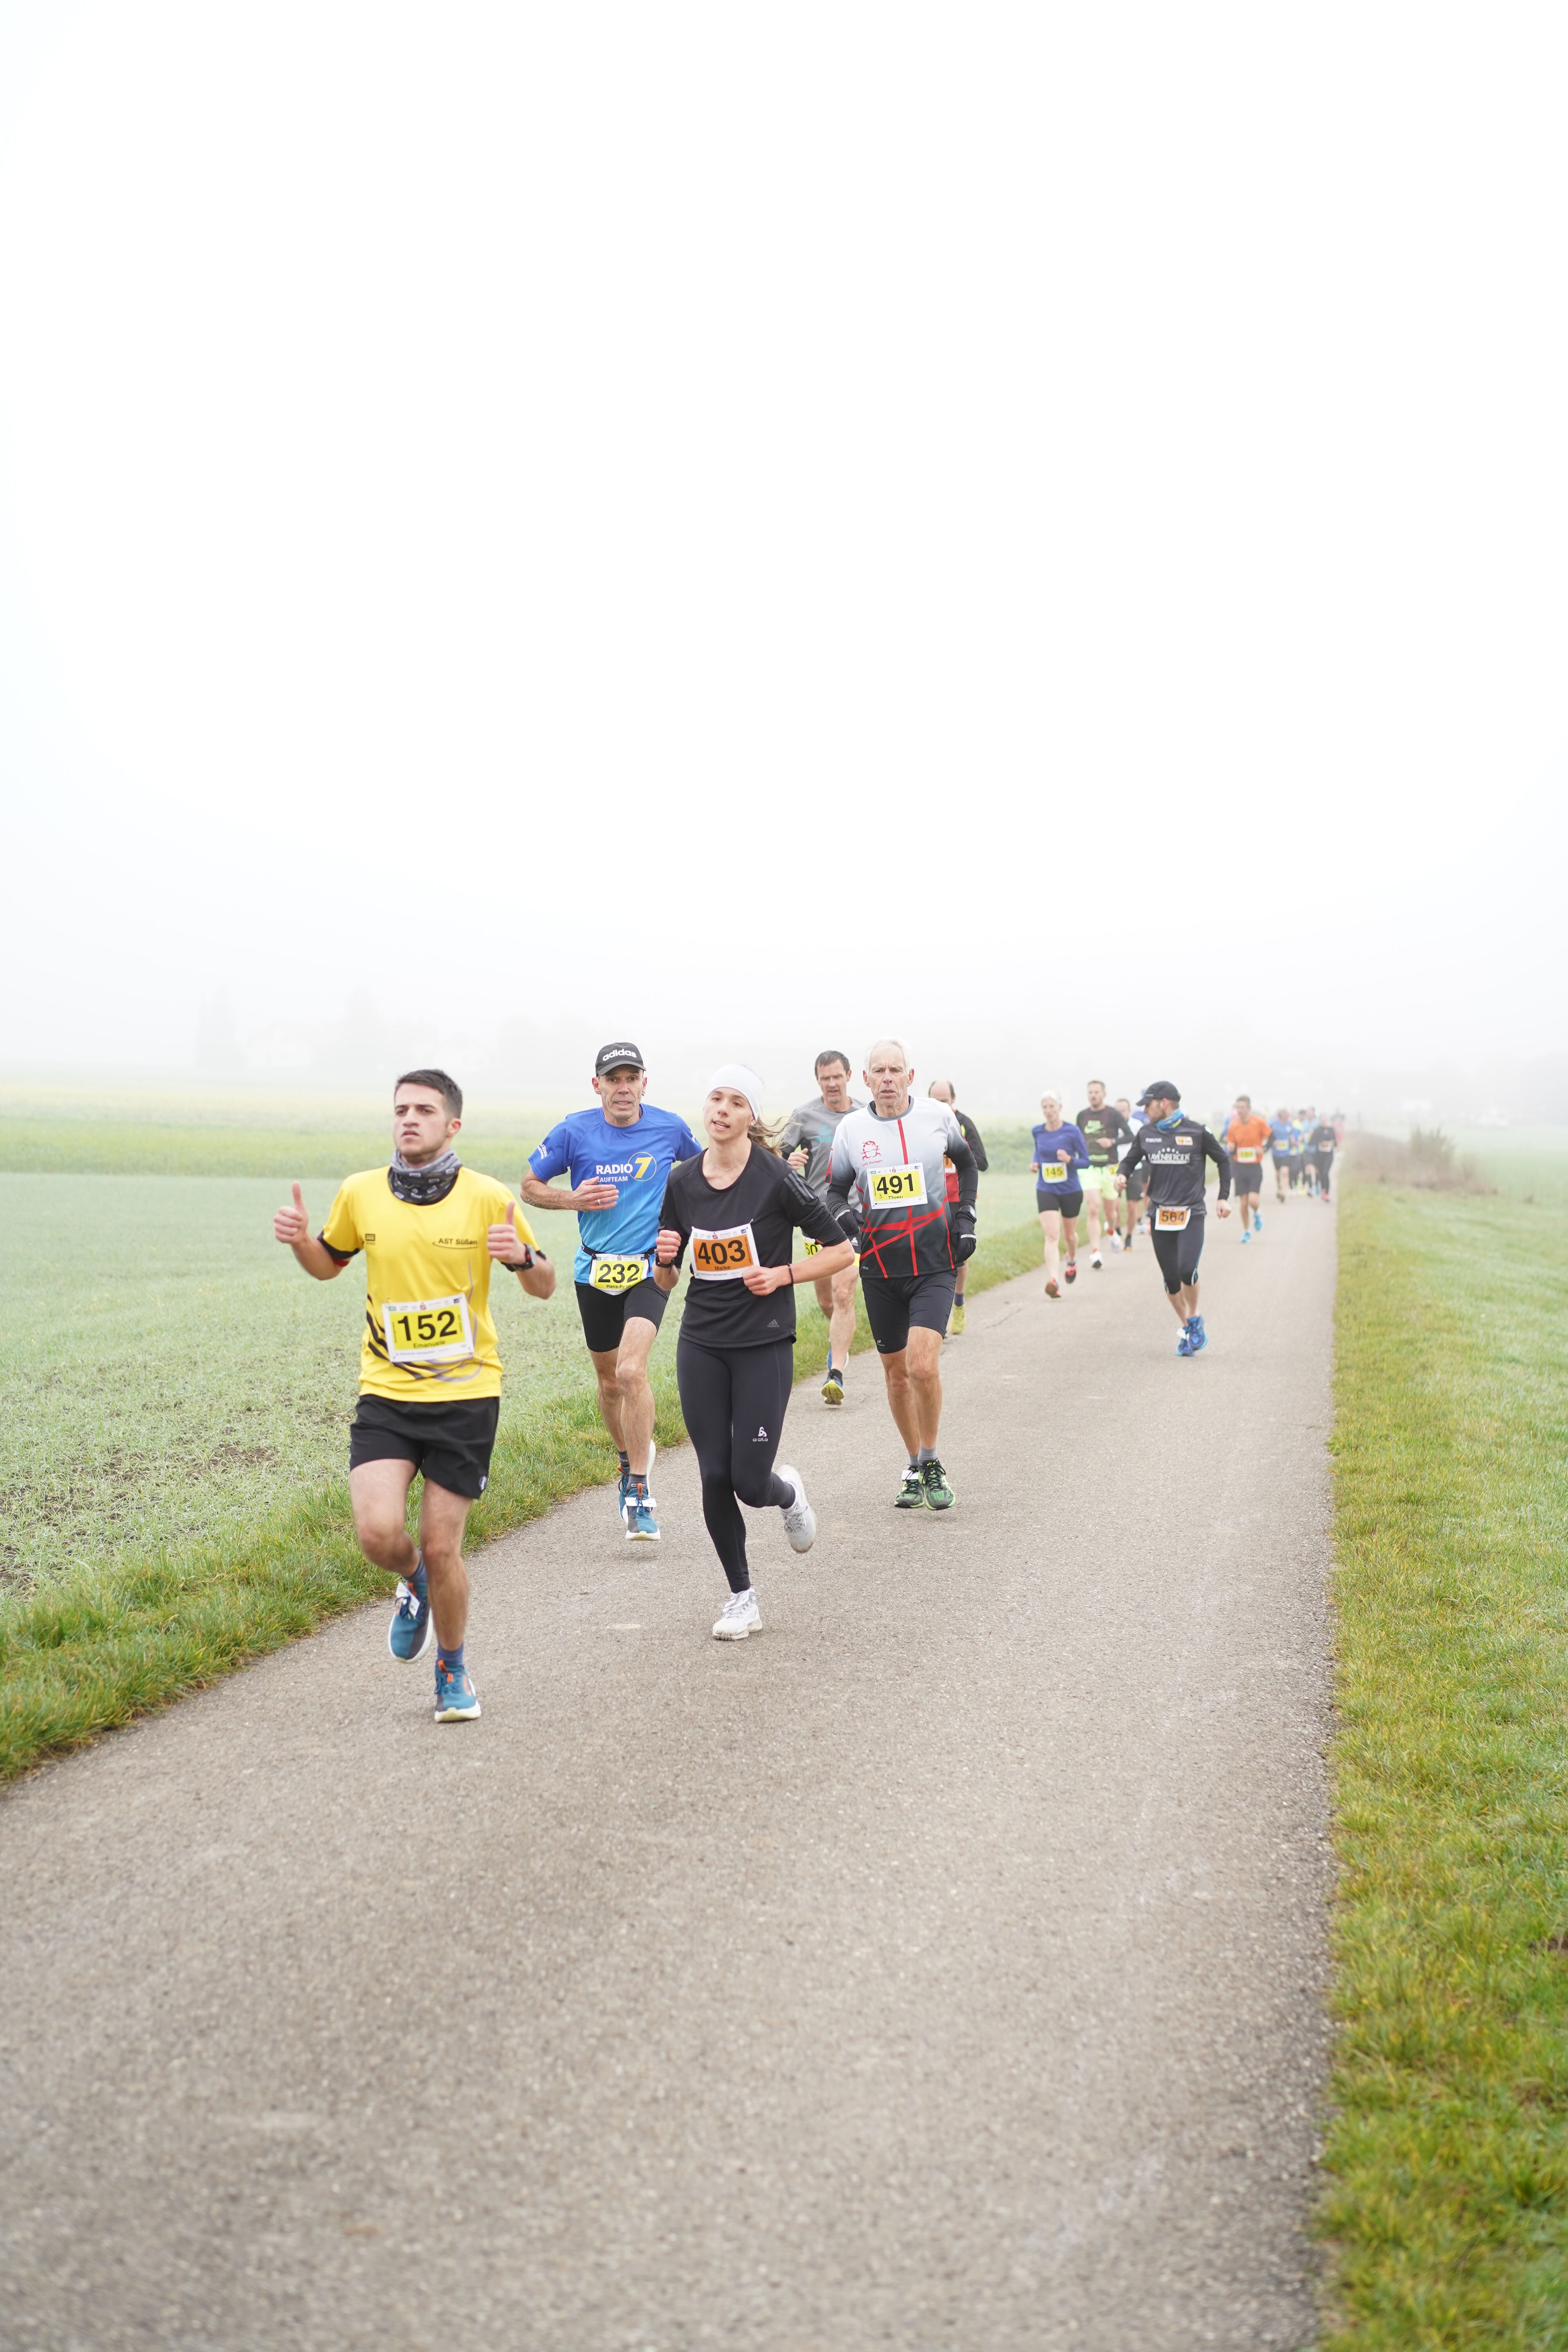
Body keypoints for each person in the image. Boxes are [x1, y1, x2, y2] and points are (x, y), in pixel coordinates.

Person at [272, 1069, 555, 1722]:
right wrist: (301, 1242)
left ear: (452, 1125)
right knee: (378, 1535)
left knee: (442, 1543)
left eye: (424, 1110)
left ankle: (452, 1669)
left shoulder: (487, 1197)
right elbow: (328, 1265)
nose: (409, 1119)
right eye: (401, 1109)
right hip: (387, 1393)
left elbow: (543, 1285)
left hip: (467, 1396)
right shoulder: (361, 1192)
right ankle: (412, 1579)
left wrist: (520, 1257)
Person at [655, 1067, 855, 1639]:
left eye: (736, 1102)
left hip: (762, 1341)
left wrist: (783, 1274)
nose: (721, 1109)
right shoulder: (681, 1181)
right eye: (715, 1098)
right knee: (714, 1474)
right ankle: (742, 1597)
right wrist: (664, 1259)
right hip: (701, 1341)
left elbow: (841, 1251)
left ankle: (786, 1494)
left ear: (751, 1117)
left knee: (749, 1481)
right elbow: (667, 1281)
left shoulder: (774, 1177)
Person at [522, 1043, 701, 1542]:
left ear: (645, 1083)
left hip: (650, 1268)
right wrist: (570, 1198)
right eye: (613, 1079)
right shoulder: (573, 1131)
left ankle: (640, 1492)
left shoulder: (670, 1128)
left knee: (630, 1371)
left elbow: (706, 1177)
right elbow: (529, 1184)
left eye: (631, 1078)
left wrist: (686, 1238)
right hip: (595, 1269)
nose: (623, 1088)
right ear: (597, 1085)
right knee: (608, 1383)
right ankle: (626, 1462)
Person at [826, 1039, 978, 1511]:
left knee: (922, 1366)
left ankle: (932, 1461)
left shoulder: (938, 1117)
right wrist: (849, 1223)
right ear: (866, 1079)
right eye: (879, 1071)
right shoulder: (852, 1130)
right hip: (881, 1268)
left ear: (910, 1077)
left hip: (934, 1264)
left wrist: (966, 1218)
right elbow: (835, 1192)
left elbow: (967, 1163)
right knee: (895, 1376)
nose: (888, 1078)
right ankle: (913, 1464)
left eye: (896, 1070)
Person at [1114, 1081, 1231, 1355]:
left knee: (1187, 1270)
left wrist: (1223, 1197)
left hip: (1191, 1213)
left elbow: (1223, 1160)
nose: (1145, 1111)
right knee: (1171, 1279)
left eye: (1148, 1105)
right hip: (1160, 1215)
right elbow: (1130, 1160)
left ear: (1164, 1103)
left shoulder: (1197, 1132)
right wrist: (1122, 1174)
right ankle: (1190, 1327)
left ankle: (1193, 1316)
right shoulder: (1147, 1133)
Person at [780, 1050, 864, 1405]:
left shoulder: (866, 1114)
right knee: (827, 1300)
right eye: (825, 1078)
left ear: (849, 1076)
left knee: (844, 1293)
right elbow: (771, 1157)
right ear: (818, 1080)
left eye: (837, 1077)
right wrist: (788, 1160)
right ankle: (838, 1339)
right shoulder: (804, 1117)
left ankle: (837, 1372)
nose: (832, 1084)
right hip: (816, 1219)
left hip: (856, 1217)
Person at [927, 1077, 989, 1334]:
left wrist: (956, 1153)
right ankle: (933, 1317)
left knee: (959, 1257)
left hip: (957, 1199)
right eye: (935, 1101)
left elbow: (982, 1162)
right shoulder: (921, 1122)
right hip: (930, 1200)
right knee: (931, 1256)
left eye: (945, 1101)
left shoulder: (963, 1123)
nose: (940, 1106)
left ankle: (959, 1304)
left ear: (953, 1100)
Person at [1030, 1092, 1089, 1298]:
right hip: (1046, 1189)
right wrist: (1035, 1163)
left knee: (1070, 1236)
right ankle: (1054, 1281)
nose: (1048, 1111)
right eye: (1045, 1107)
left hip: (1071, 1190)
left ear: (1060, 1108)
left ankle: (1071, 1260)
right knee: (1052, 1235)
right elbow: (1038, 1152)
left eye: (1052, 1107)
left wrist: (1069, 1160)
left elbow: (1086, 1161)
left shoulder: (1072, 1131)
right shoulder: (1038, 1131)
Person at [1074, 1081, 1135, 1270]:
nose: (1093, 1095)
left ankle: (1111, 1230)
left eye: (1096, 1092)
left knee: (1111, 1212)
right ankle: (1096, 1252)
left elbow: (1130, 1136)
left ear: (1104, 1094)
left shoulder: (1113, 1114)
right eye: (1090, 1092)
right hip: (1089, 1168)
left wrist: (1112, 1141)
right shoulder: (1082, 1116)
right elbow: (1077, 1139)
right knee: (1093, 1208)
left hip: (1110, 1167)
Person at [1223, 1094, 1272, 1240]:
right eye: (1238, 1107)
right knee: (1243, 1203)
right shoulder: (1233, 1126)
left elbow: (1272, 1137)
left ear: (1249, 1109)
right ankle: (1247, 1232)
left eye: (1243, 1107)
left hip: (1255, 1168)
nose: (1240, 1110)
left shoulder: (1259, 1122)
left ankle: (1257, 1213)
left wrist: (1264, 1149)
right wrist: (1231, 1148)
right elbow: (1232, 1146)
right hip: (1240, 1167)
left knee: (1253, 1201)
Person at [1114, 1096, 1146, 1248]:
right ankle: (1117, 1231)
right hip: (1115, 1168)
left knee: (1132, 1206)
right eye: (1118, 1111)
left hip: (1135, 1168)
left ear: (1129, 1111)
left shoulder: (1137, 1126)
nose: (1121, 1114)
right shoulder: (1111, 1126)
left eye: (1123, 1111)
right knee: (1115, 1205)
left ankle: (1129, 1236)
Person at [1308, 1111, 1338, 1200]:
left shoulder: (1331, 1130)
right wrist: (1320, 1141)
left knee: (1326, 1173)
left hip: (1329, 1155)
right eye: (1322, 1120)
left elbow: (1335, 1142)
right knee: (1321, 1174)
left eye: (1325, 1120)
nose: (1324, 1122)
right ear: (1320, 1121)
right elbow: (1311, 1142)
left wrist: (1333, 1143)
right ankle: (1323, 1190)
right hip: (1319, 1156)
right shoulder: (1317, 1130)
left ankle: (1327, 1193)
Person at [1269, 1107, 1294, 1204]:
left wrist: (1293, 1140)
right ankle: (1279, 1187)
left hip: (1286, 1153)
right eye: (1286, 1115)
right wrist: (1272, 1142)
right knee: (1278, 1173)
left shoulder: (1289, 1125)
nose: (1288, 1116)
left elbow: (1292, 1135)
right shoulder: (1273, 1124)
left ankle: (1284, 1192)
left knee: (1285, 1171)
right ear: (1282, 1116)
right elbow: (1268, 1135)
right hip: (1276, 1153)